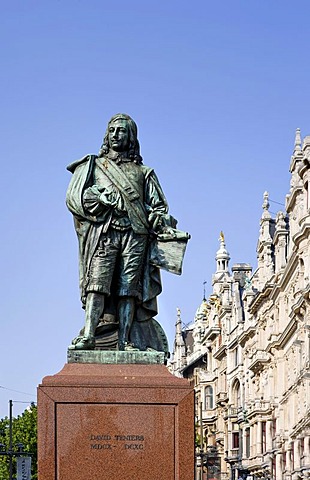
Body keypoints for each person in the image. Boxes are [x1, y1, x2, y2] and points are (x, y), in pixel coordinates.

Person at [66, 114, 173, 351]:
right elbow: (77, 199)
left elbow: (159, 208)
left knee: (129, 290)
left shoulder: (144, 172)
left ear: (131, 137)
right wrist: (99, 198)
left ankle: (125, 340)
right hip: (105, 234)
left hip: (135, 235)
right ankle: (89, 336)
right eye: (112, 130)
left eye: (122, 131)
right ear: (107, 135)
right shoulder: (93, 166)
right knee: (97, 284)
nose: (116, 135)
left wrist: (157, 216)